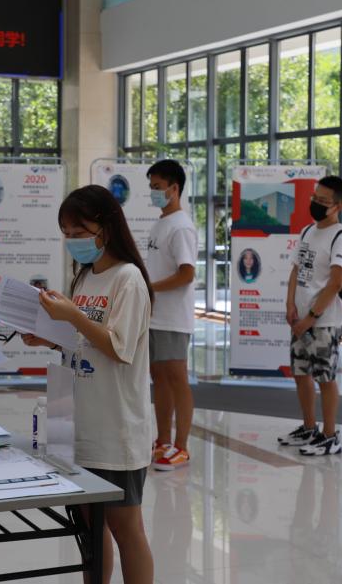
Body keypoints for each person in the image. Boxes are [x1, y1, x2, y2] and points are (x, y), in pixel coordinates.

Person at [22, 185, 154, 584]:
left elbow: (118, 347)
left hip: (116, 429)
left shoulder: (128, 279)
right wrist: (49, 337)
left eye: (79, 232)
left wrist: (73, 316)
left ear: (106, 228)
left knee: (126, 529)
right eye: (66, 233)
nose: (72, 241)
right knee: (91, 533)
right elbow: (82, 340)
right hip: (79, 426)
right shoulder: (84, 276)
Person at [279, 176, 342, 456]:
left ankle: (330, 435)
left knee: (325, 377)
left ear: (338, 206)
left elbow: (336, 282)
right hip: (300, 319)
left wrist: (310, 317)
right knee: (301, 374)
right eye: (315, 198)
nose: (316, 204)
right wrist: (290, 304)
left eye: (323, 201)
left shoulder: (341, 237)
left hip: (324, 322)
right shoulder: (308, 231)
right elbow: (296, 270)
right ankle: (309, 427)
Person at [145, 159, 198, 471]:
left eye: (158, 187)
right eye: (151, 186)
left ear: (174, 188)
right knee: (159, 378)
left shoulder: (181, 226)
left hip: (173, 318)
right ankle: (163, 439)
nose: (153, 192)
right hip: (155, 316)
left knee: (177, 379)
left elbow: (187, 273)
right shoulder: (161, 223)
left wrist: (151, 288)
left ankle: (182, 447)